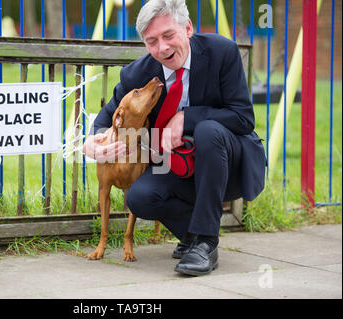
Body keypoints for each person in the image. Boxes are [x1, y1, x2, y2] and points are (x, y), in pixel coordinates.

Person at [83, 0, 266, 276]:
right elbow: (109, 113)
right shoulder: (138, 74)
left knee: (207, 130)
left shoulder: (222, 52)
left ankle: (205, 242)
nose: (162, 48)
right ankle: (192, 236)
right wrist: (92, 141)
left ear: (188, 28)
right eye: (152, 41)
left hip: (228, 168)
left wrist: (187, 117)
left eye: (168, 36)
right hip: (178, 170)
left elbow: (243, 118)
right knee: (140, 197)